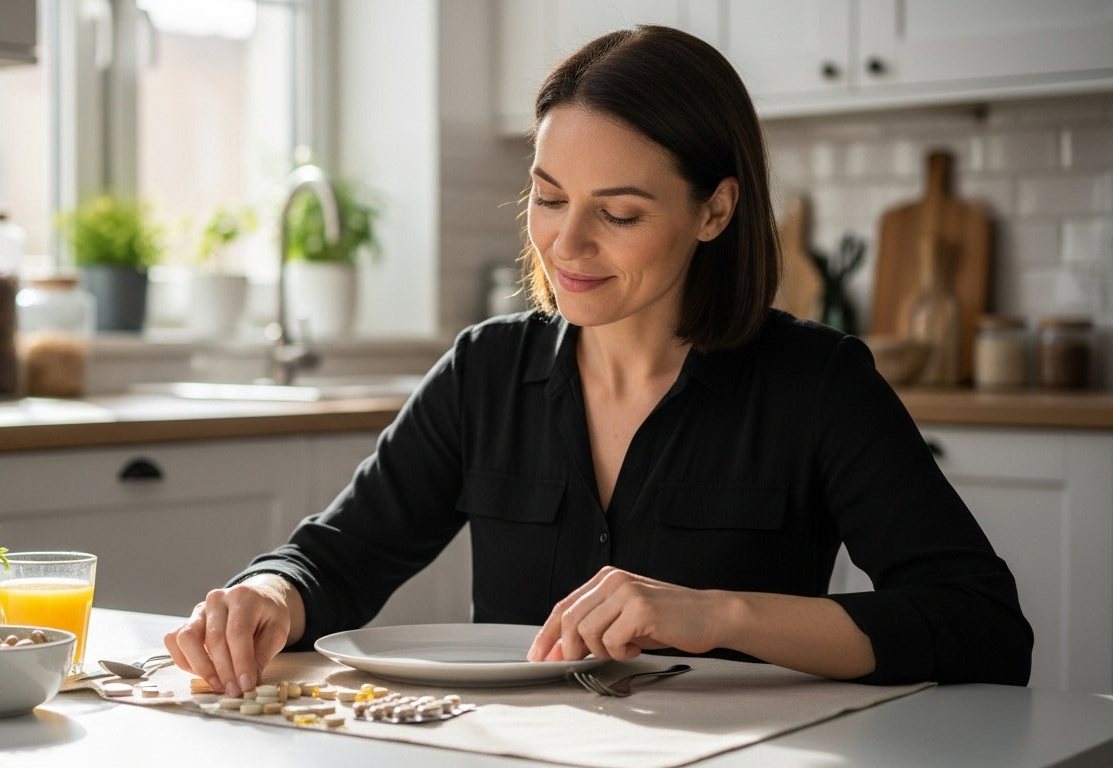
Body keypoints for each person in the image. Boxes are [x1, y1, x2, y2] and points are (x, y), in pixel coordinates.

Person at [164, 25, 1033, 697]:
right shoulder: (484, 374)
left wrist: (716, 614)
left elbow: (984, 626)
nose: (566, 244)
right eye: (548, 197)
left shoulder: (819, 384)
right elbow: (337, 557)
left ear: (715, 211)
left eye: (617, 213)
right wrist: (268, 598)